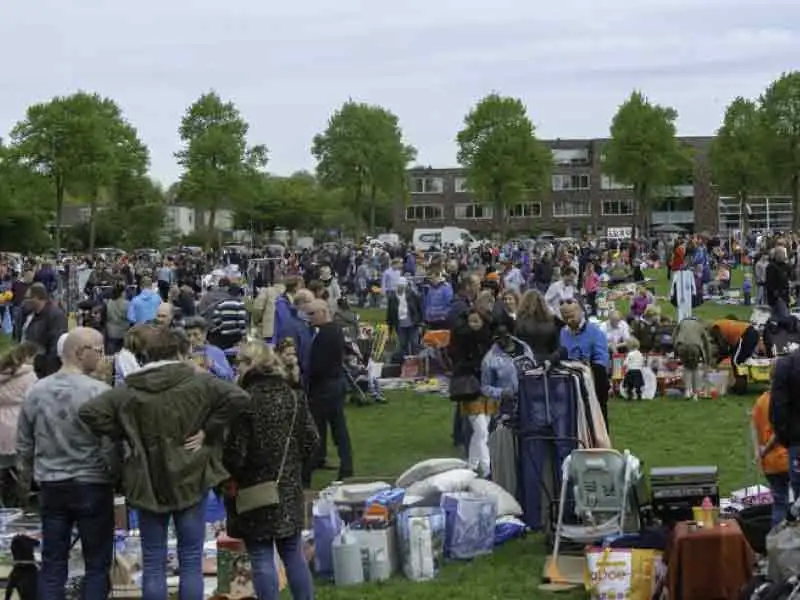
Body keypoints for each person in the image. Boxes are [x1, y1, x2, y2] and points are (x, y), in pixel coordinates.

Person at [79, 327, 249, 600]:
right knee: (191, 558)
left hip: (147, 478)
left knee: (153, 560)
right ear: (182, 352)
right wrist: (209, 430)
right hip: (192, 474)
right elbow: (239, 397)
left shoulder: (130, 388)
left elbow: (89, 412)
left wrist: (128, 433)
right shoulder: (200, 382)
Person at [16, 327, 115, 599]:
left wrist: (28, 480)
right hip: (92, 483)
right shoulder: (100, 392)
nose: (103, 357)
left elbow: (24, 443)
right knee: (97, 565)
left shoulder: (37, 391)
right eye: (99, 350)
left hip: (51, 484)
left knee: (53, 563)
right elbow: (110, 444)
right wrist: (115, 475)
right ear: (81, 352)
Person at [224, 343, 319, 600]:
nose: (236, 368)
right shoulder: (293, 396)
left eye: (240, 363)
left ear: (251, 365)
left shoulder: (244, 401)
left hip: (253, 488)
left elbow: (236, 454)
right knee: (293, 553)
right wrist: (294, 464)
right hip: (287, 485)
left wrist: (230, 475)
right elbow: (312, 440)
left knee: (261, 555)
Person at [304, 299, 353, 483]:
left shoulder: (326, 334)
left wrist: (307, 375)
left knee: (317, 430)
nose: (309, 318)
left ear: (323, 312)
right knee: (338, 428)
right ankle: (346, 467)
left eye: (312, 314)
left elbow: (319, 365)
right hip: (335, 385)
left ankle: (307, 472)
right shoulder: (334, 330)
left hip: (325, 387)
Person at [559, 300, 610, 427]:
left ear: (580, 312)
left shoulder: (595, 332)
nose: (569, 320)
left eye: (571, 316)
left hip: (593, 379)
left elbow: (601, 359)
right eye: (565, 317)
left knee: (597, 418)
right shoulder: (562, 333)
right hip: (569, 381)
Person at [0, 342, 37, 506]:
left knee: (3, 468)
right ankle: (20, 503)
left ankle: (4, 503)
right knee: (21, 469)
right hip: (19, 424)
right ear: (28, 357)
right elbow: (34, 400)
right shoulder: (29, 376)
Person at [752, 389, 789, 525]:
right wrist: (765, 450)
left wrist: (758, 452)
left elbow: (754, 428)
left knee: (779, 502)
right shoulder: (784, 400)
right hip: (786, 459)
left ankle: (777, 535)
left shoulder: (761, 401)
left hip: (769, 464)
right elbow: (779, 432)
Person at [21, 282, 68, 379]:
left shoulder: (55, 316)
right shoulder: (31, 315)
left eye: (28, 298)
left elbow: (55, 347)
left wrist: (49, 376)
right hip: (32, 367)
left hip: (46, 371)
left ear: (38, 298)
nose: (25, 301)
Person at [515, 290, 561, 365]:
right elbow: (556, 347)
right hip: (546, 361)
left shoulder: (519, 322)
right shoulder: (552, 323)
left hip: (525, 361)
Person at [184, 316, 235, 380]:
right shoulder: (183, 353)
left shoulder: (216, 352)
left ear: (204, 334)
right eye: (188, 335)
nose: (191, 339)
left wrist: (213, 365)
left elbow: (230, 378)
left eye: (195, 334)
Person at [387, 277, 422, 364]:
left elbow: (419, 308)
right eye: (400, 286)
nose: (401, 287)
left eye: (403, 286)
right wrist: (390, 327)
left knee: (414, 343)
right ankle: (405, 363)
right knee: (403, 344)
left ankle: (417, 362)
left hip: (412, 323)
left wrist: (420, 322)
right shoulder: (392, 297)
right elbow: (390, 313)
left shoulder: (413, 295)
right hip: (400, 325)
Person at [105, 281, 130, 354]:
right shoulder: (127, 304)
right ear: (122, 293)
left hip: (111, 332)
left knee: (112, 355)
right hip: (124, 333)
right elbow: (130, 317)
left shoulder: (108, 303)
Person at [622, 336, 645, 401]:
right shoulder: (640, 354)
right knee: (638, 385)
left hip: (631, 371)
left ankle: (629, 395)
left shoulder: (630, 354)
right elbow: (642, 361)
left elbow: (625, 363)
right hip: (638, 371)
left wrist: (624, 366)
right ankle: (639, 395)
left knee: (629, 385)